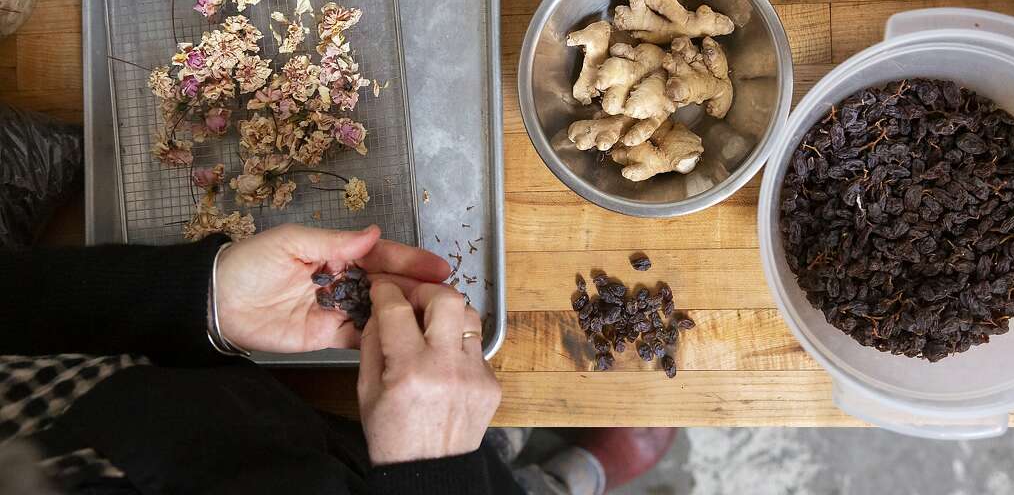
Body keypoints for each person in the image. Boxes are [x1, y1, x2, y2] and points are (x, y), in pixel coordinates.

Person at [0, 224, 673, 494]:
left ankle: (501, 454)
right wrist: (435, 477)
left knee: (454, 432)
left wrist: (202, 298)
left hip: (244, 424)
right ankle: (573, 476)